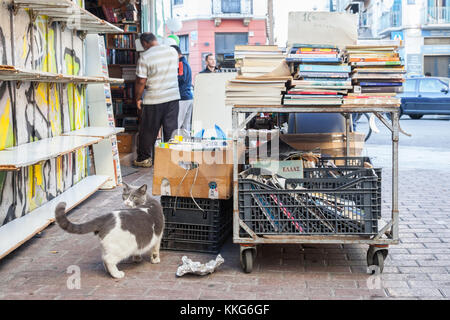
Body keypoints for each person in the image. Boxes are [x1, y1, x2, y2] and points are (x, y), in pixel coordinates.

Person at [133, 33, 180, 168]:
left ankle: (144, 159)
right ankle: (172, 159)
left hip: (153, 98)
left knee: (148, 131)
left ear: (144, 43)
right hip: (172, 97)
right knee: (171, 130)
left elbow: (141, 81)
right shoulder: (172, 51)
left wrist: (137, 98)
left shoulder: (145, 57)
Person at [171, 45, 193, 133]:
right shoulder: (185, 63)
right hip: (188, 97)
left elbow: (181, 77)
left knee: (177, 124)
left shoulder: (181, 63)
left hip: (182, 97)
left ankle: (174, 144)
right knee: (185, 126)